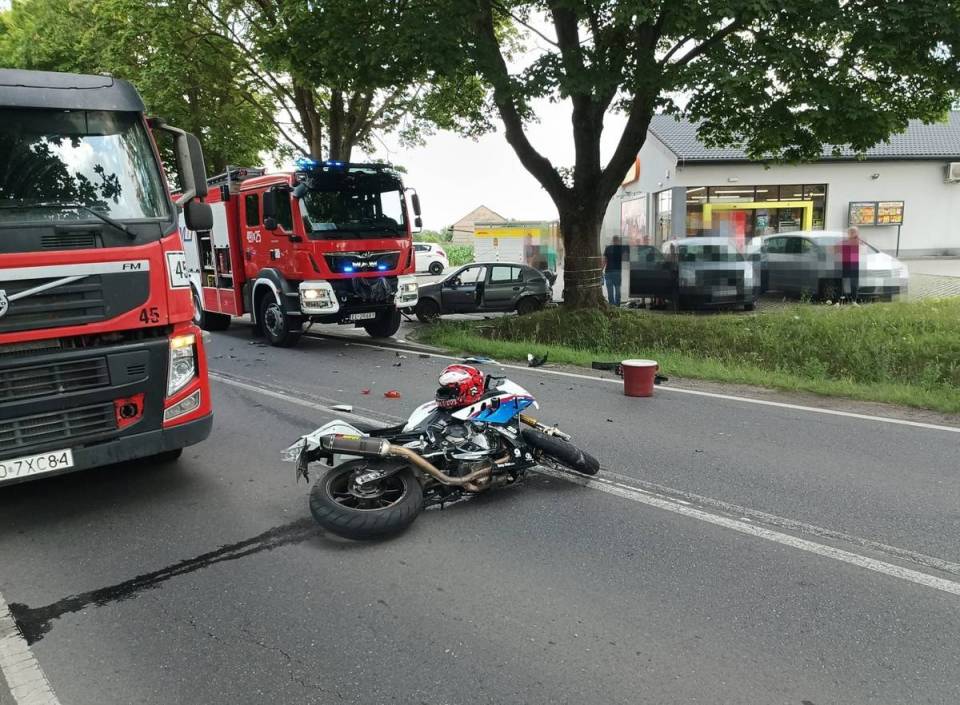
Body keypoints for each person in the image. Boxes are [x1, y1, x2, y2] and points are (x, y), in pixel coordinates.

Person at [840, 226, 862, 304]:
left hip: (853, 265)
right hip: (847, 264)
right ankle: (843, 300)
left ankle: (853, 301)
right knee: (845, 283)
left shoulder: (856, 241)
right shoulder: (846, 242)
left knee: (854, 283)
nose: (856, 234)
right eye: (853, 232)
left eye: (855, 232)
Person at [603, 236, 625, 307]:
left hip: (608, 272)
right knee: (617, 290)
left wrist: (600, 270)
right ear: (618, 241)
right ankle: (617, 306)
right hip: (617, 272)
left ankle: (611, 306)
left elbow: (604, 261)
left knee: (610, 291)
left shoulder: (608, 248)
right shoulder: (621, 249)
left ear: (612, 240)